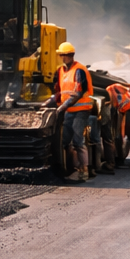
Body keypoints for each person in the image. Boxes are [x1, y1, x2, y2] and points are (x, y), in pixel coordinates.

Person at [43, 41, 94, 181]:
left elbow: (78, 93)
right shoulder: (60, 71)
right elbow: (59, 93)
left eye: (66, 55)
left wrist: (61, 108)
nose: (64, 57)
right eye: (62, 55)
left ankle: (84, 170)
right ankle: (70, 167)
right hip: (69, 110)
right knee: (64, 140)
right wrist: (46, 103)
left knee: (78, 140)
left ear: (71, 55)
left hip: (81, 109)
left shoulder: (79, 70)